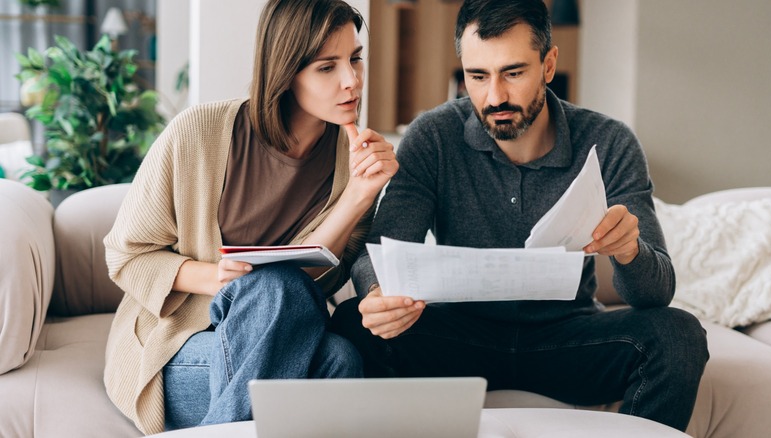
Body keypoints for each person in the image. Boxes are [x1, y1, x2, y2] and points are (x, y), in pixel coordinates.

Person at [331, 0, 709, 432]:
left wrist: (629, 251)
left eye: (513, 73)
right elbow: (380, 250)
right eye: (477, 76)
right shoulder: (432, 136)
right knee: (351, 324)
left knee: (678, 335)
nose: (495, 97)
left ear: (548, 65)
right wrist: (377, 293)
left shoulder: (611, 141)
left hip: (568, 338)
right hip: (459, 337)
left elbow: (655, 292)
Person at [102, 0, 398, 434]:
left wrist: (357, 197)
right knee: (272, 287)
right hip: (182, 349)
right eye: (326, 67)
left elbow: (321, 281)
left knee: (341, 356)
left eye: (355, 59)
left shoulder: (351, 160)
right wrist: (223, 278)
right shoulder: (197, 133)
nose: (351, 80)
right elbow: (126, 257)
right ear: (285, 72)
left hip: (281, 340)